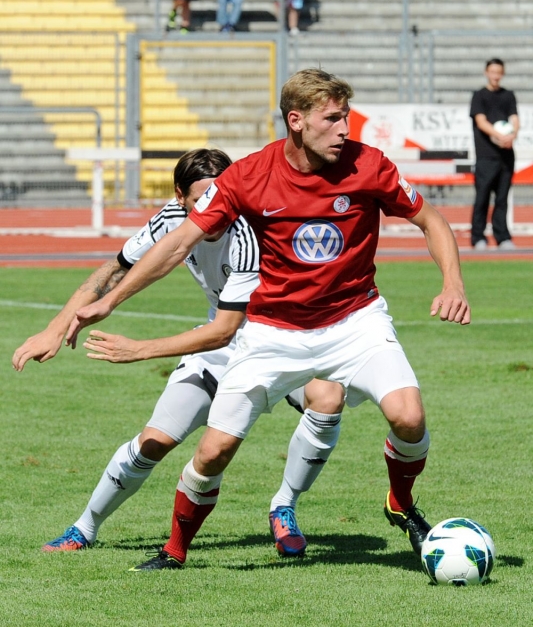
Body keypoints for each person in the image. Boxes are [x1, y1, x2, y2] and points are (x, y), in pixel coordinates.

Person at [68, 68, 471, 572]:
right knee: (212, 452)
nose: (345, 129)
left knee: (409, 417)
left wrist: (452, 284)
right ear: (296, 121)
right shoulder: (248, 176)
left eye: (346, 117)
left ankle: (399, 501)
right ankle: (174, 551)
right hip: (272, 331)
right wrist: (110, 300)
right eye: (333, 119)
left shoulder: (369, 165)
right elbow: (178, 243)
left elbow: (431, 220)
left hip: (355, 320)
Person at [13, 148, 345, 559]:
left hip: (278, 343)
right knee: (154, 442)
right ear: (179, 197)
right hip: (221, 347)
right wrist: (54, 328)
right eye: (203, 198)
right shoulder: (171, 219)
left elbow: (224, 330)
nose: (216, 208)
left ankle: (284, 505)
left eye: (221, 195)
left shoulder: (247, 233)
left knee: (328, 397)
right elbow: (113, 271)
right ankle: (84, 528)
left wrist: (140, 349)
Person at [470, 59, 520, 251]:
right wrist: (500, 136)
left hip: (506, 156)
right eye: (492, 72)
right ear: (486, 72)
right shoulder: (479, 96)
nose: (495, 76)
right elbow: (481, 122)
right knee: (482, 197)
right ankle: (478, 237)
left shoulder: (508, 95)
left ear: (503, 73)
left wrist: (512, 135)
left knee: (502, 198)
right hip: (486, 156)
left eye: (499, 72)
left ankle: (502, 237)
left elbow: (514, 119)